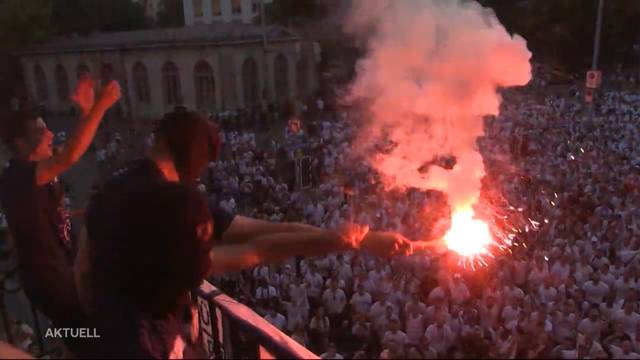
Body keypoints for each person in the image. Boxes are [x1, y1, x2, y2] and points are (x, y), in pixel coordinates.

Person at [0, 77, 120, 342]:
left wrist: (86, 114)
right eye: (40, 132)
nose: (51, 134)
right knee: (92, 336)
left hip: (56, 273)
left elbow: (72, 148)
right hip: (49, 279)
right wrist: (101, 105)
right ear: (21, 144)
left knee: (78, 335)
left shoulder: (34, 170)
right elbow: (71, 156)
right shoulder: (20, 176)